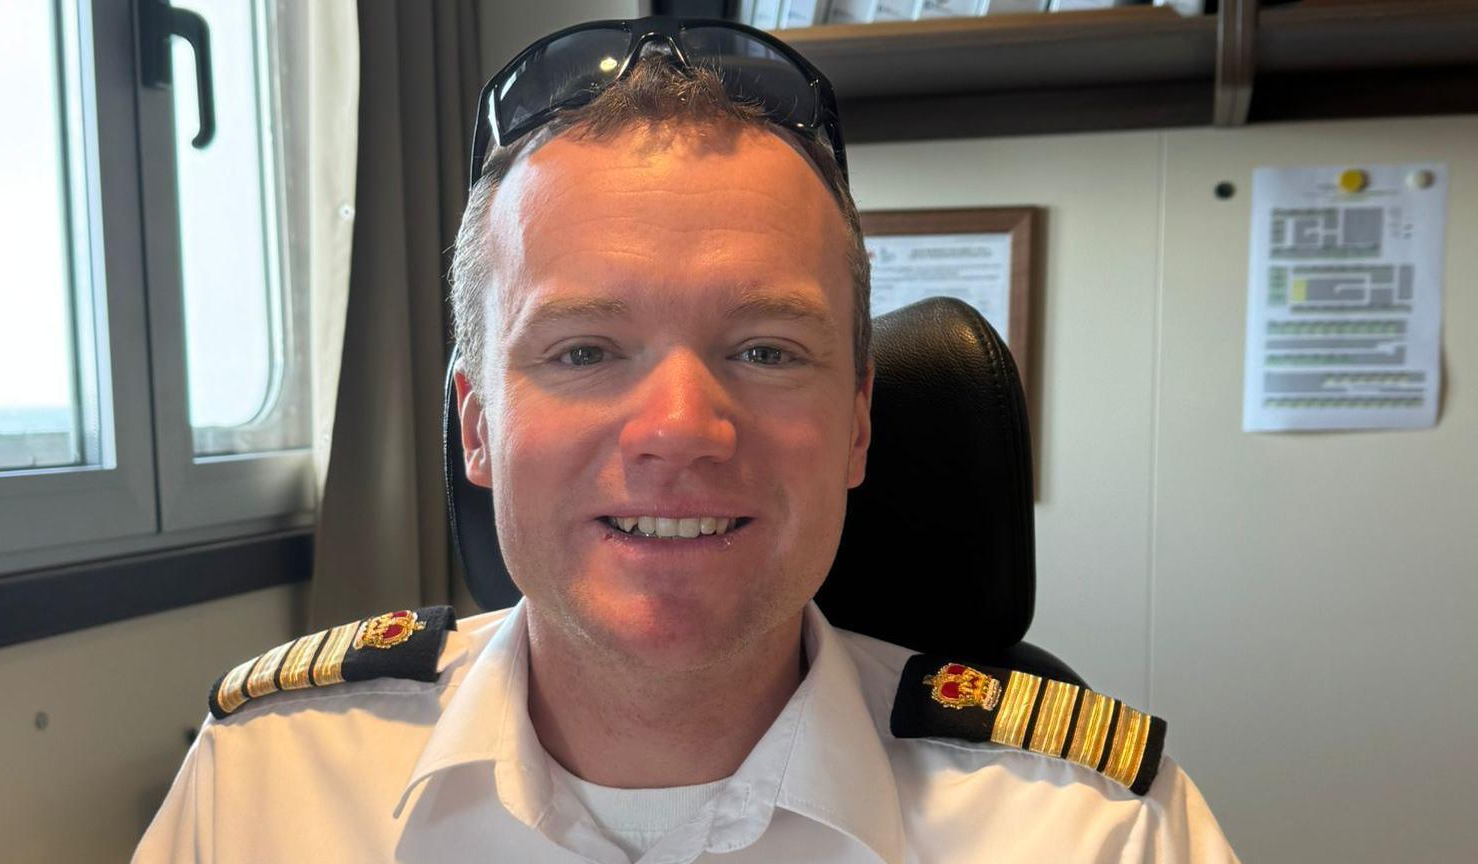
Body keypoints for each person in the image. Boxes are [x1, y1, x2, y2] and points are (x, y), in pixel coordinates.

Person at [134, 16, 1238, 863]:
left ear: (857, 424)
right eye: (583, 351)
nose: (679, 431)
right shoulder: (262, 784)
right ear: (476, 423)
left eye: (764, 350)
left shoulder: (1094, 832)